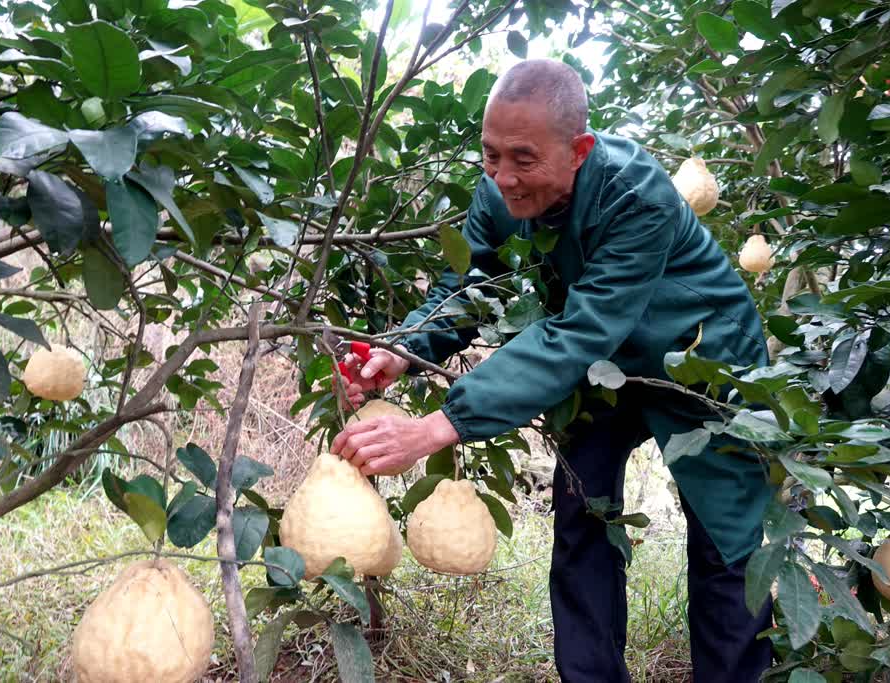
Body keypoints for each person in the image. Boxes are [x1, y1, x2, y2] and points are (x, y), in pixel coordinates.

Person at [330, 59, 774, 682]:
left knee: (725, 543)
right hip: (600, 374)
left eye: (523, 159)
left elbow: (581, 329)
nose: (503, 178)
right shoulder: (496, 194)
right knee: (582, 518)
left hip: (700, 357)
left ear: (579, 149)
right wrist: (400, 349)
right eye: (490, 156)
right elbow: (470, 286)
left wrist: (439, 426)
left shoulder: (636, 193)